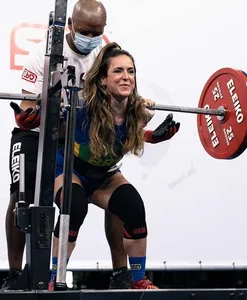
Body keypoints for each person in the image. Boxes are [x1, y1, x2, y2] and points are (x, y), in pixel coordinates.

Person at [47, 42, 179, 291]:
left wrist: (152, 136)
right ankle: (56, 277)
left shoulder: (139, 111)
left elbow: (123, 141)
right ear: (103, 79)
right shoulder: (83, 107)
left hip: (105, 176)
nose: (126, 77)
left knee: (133, 206)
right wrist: (33, 116)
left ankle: (138, 279)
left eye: (130, 71)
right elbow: (50, 124)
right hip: (70, 171)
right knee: (73, 207)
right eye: (118, 71)